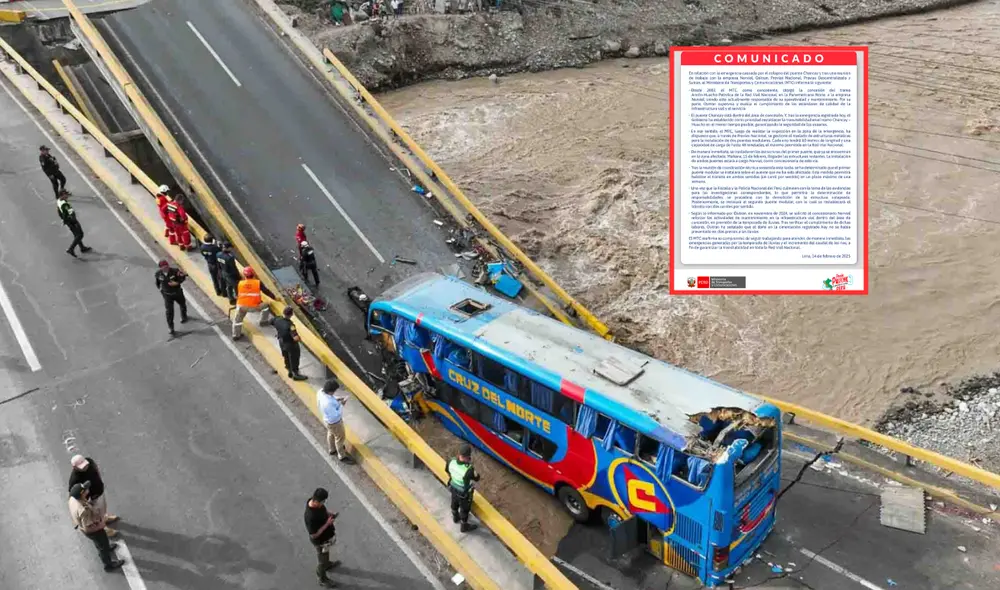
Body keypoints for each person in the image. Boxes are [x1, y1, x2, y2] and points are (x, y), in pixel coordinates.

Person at [69, 481, 124, 572]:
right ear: (82, 494)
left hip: (87, 524)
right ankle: (108, 565)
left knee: (103, 542)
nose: (87, 489)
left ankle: (106, 547)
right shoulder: (84, 510)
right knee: (101, 545)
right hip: (94, 530)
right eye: (85, 489)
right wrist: (101, 525)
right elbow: (88, 527)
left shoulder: (73, 499)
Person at [68, 455, 119, 537]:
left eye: (86, 465)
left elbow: (96, 469)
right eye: (82, 467)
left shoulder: (89, 462)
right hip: (91, 499)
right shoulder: (75, 479)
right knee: (96, 515)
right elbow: (74, 494)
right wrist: (85, 502)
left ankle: (104, 517)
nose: (85, 467)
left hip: (99, 492)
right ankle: (104, 528)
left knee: (103, 508)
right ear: (75, 467)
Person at [304, 487, 340, 587]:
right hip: (320, 541)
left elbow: (323, 511)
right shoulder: (310, 517)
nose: (324, 503)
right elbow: (314, 534)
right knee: (321, 561)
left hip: (326, 539)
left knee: (326, 554)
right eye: (323, 501)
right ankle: (322, 578)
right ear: (316, 501)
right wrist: (327, 524)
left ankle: (327, 564)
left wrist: (329, 514)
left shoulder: (315, 504)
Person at [317, 379, 354, 463]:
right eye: (334, 391)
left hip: (327, 420)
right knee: (340, 438)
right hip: (335, 423)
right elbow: (336, 415)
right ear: (330, 391)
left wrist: (337, 399)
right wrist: (342, 404)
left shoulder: (320, 392)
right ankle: (342, 455)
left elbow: (331, 399)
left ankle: (332, 449)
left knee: (331, 433)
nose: (334, 393)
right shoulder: (328, 403)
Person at [447, 444, 480, 532]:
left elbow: (447, 470)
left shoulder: (451, 461)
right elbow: (477, 478)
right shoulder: (469, 469)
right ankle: (464, 526)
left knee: (454, 503)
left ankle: (455, 517)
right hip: (464, 494)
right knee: (464, 509)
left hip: (453, 488)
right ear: (467, 456)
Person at [232, 267, 272, 340]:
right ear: (253, 274)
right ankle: (263, 322)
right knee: (266, 306)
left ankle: (236, 335)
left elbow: (237, 295)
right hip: (254, 307)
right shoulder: (257, 283)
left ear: (244, 275)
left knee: (237, 320)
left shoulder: (240, 283)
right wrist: (274, 297)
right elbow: (266, 291)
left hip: (241, 306)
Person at [155, 259, 188, 336]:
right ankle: (171, 327)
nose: (166, 268)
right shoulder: (158, 274)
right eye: (164, 267)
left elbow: (182, 278)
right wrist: (161, 290)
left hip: (177, 293)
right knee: (169, 312)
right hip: (167, 295)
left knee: (182, 304)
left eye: (167, 266)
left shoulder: (175, 271)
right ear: (160, 268)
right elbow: (157, 283)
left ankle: (184, 316)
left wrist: (177, 283)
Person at [274, 306, 308, 381]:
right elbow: (295, 338)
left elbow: (271, 322)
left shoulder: (277, 319)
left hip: (281, 342)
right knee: (294, 358)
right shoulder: (290, 325)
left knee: (286, 356)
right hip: (290, 344)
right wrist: (300, 339)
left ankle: (288, 368)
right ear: (291, 314)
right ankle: (295, 374)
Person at [56, 189, 92, 257]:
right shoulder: (65, 204)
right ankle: (71, 249)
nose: (67, 195)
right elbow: (71, 214)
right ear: (62, 195)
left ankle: (82, 247)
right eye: (65, 194)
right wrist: (74, 221)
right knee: (80, 234)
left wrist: (63, 219)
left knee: (76, 234)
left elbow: (58, 210)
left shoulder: (58, 201)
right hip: (71, 221)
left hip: (67, 221)